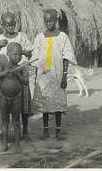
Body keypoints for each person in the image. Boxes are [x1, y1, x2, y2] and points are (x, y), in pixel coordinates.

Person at [31, 9, 76, 141]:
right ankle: (45, 130)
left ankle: (57, 130)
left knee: (57, 105)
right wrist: (35, 77)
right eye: (46, 21)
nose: (48, 23)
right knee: (45, 104)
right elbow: (35, 57)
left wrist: (64, 76)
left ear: (56, 20)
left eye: (51, 20)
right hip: (43, 76)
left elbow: (66, 56)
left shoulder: (62, 37)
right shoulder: (39, 37)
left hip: (57, 76)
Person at [0, 12, 33, 140]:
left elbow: (30, 52)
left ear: (16, 23)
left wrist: (25, 52)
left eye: (13, 24)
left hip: (20, 71)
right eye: (7, 25)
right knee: (3, 105)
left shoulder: (22, 36)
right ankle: (2, 134)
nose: (11, 27)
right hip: (4, 75)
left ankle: (25, 130)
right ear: (3, 25)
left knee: (23, 104)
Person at [0, 43, 29, 154]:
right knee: (4, 122)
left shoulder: (21, 67)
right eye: (14, 54)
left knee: (16, 121)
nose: (17, 57)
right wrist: (3, 73)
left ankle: (17, 144)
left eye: (20, 54)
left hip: (16, 98)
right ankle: (5, 143)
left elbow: (26, 82)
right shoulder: (3, 65)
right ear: (8, 53)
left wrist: (18, 75)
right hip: (3, 97)